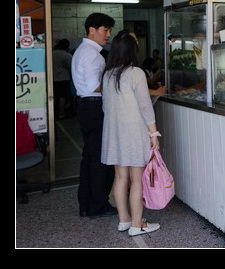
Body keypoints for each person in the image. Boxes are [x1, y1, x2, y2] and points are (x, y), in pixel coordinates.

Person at [101, 30, 162, 236]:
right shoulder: (136, 73)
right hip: (134, 131)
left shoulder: (108, 74)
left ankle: (124, 220)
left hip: (114, 132)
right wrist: (154, 134)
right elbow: (145, 106)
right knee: (137, 178)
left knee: (120, 177)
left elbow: (105, 107)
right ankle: (137, 224)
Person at [71, 12, 116, 218]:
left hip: (87, 107)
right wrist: (116, 86)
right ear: (92, 30)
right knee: (99, 159)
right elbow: (93, 86)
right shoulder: (91, 54)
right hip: (94, 107)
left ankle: (86, 204)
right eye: (105, 30)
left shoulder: (85, 51)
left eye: (109, 30)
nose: (108, 34)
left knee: (90, 158)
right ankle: (97, 205)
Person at [52, 38, 73, 119]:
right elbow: (71, 67)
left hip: (52, 78)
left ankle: (53, 113)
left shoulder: (51, 54)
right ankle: (61, 113)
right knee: (62, 97)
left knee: (53, 96)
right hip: (64, 79)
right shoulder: (67, 55)